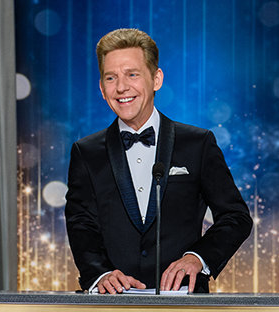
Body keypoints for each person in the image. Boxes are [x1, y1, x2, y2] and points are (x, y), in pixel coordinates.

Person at [65, 28, 252, 294]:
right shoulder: (86, 152)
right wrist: (100, 273)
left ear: (156, 79)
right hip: (111, 303)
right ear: (102, 88)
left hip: (184, 301)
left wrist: (197, 258)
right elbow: (80, 224)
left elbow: (236, 217)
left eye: (132, 74)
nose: (121, 87)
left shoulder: (198, 144)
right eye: (111, 77)